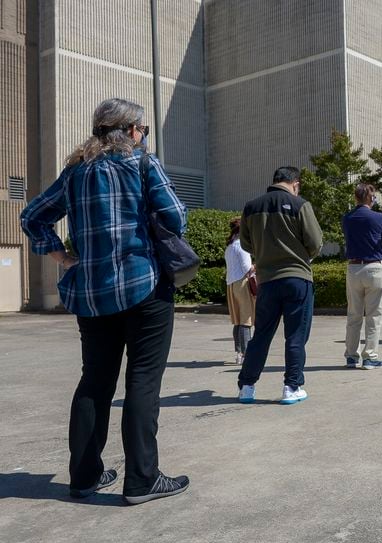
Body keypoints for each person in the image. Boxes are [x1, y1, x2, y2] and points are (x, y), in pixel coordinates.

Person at [19, 98, 190, 505]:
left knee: (94, 381)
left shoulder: (76, 171)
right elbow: (176, 218)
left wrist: (59, 254)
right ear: (131, 131)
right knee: (143, 381)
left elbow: (32, 216)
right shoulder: (144, 165)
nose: (143, 136)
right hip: (144, 287)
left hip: (92, 295)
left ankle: (84, 477)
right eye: (142, 130)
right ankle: (142, 480)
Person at [237, 166, 323, 405]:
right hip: (297, 278)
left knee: (261, 335)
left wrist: (265, 253)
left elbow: (245, 244)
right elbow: (315, 243)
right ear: (295, 183)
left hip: (267, 280)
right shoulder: (300, 205)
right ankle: (291, 386)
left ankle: (247, 386)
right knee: (295, 335)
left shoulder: (251, 206)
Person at [341, 182, 382, 369]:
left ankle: (351, 355)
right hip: (374, 267)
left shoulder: (348, 218)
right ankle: (370, 356)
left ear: (356, 197)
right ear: (371, 197)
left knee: (354, 314)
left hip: (353, 268)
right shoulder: (379, 217)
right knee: (374, 315)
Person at [225, 218, 256, 365]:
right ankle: (246, 354)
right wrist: (259, 264)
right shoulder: (242, 246)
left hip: (231, 284)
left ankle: (238, 353)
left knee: (237, 320)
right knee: (246, 320)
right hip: (242, 284)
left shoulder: (230, 247)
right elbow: (247, 269)